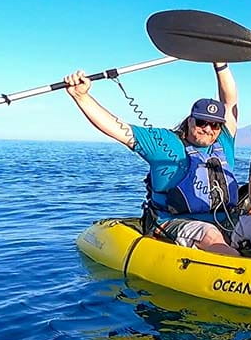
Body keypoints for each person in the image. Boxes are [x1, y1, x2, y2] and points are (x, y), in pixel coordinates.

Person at [64, 62, 240, 255]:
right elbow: (116, 128)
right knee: (210, 234)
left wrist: (221, 64)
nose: (208, 129)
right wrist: (81, 96)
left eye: (215, 125)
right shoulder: (163, 143)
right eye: (201, 122)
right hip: (175, 222)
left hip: (226, 219)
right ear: (190, 121)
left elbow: (229, 103)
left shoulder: (223, 140)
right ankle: (243, 274)